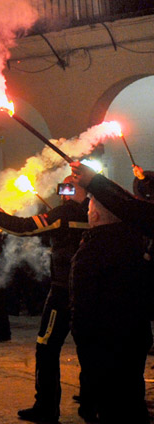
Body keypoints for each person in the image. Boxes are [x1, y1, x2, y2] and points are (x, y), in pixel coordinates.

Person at [0, 178, 88, 424]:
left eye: (69, 185)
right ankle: (92, 404)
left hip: (63, 291)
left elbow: (23, 227)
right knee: (89, 347)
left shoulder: (66, 213)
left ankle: (46, 407)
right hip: (91, 291)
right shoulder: (97, 211)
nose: (63, 190)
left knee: (46, 347)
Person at [66, 162, 151, 423]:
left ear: (95, 216)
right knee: (131, 397)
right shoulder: (134, 242)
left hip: (103, 340)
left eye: (89, 208)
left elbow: (83, 305)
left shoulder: (94, 250)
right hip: (135, 335)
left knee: (112, 406)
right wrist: (94, 183)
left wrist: (81, 337)